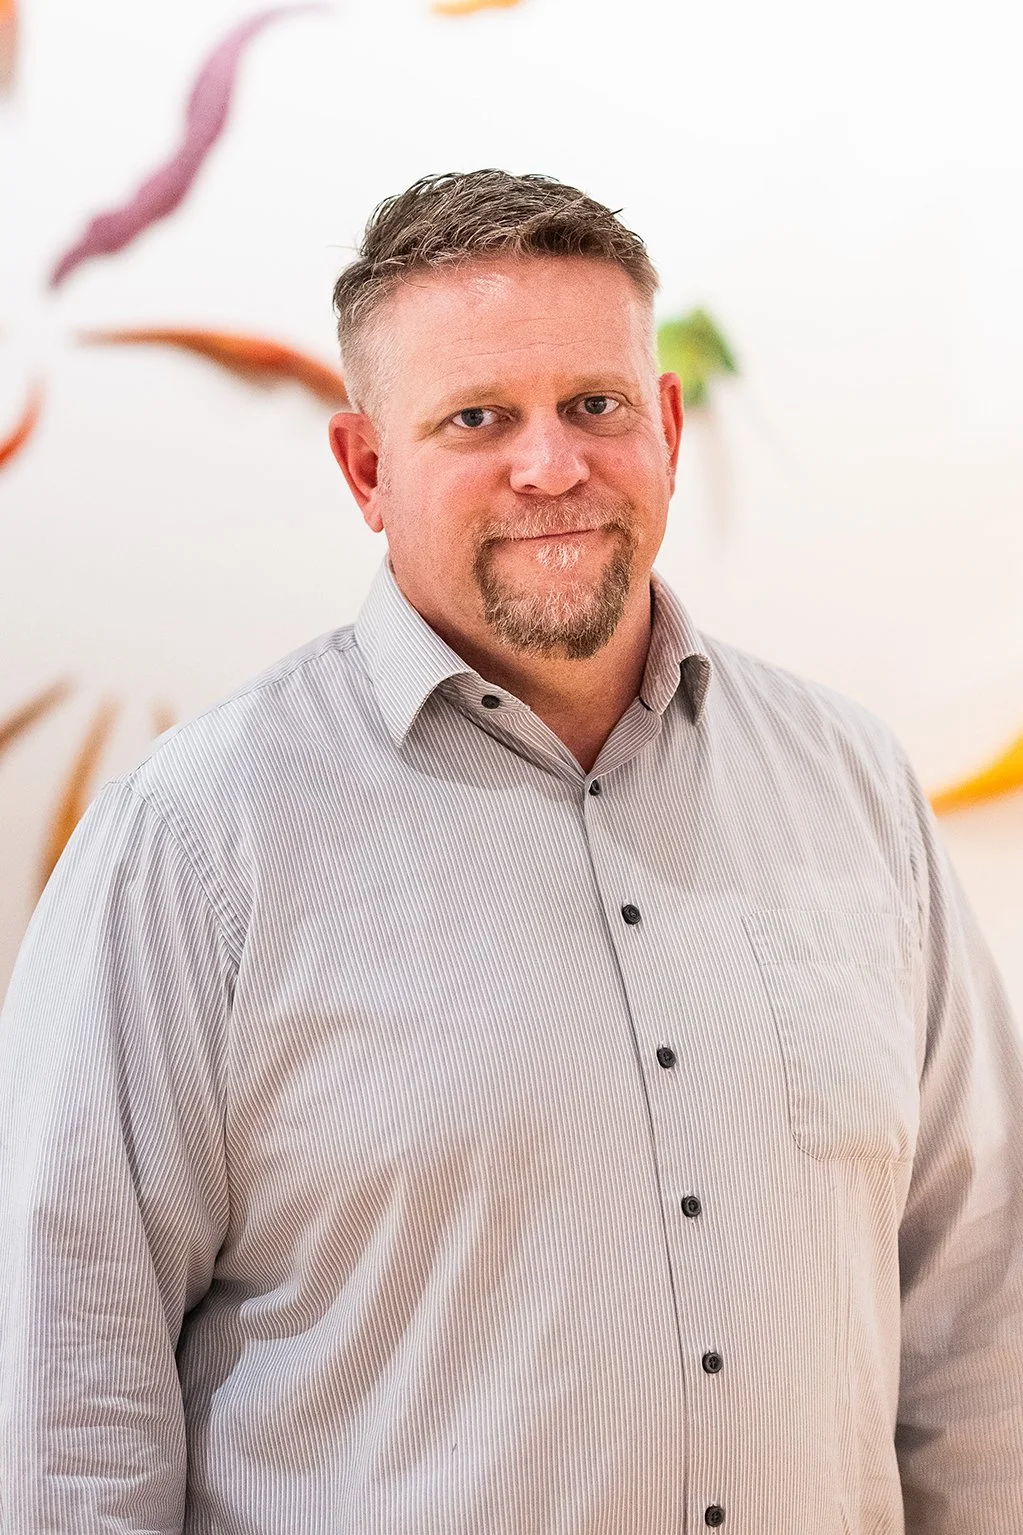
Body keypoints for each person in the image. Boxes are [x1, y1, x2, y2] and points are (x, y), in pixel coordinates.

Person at [0, 169, 1020, 1535]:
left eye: (594, 405)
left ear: (664, 424)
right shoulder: (188, 843)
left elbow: (977, 1318)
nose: (551, 466)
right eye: (477, 418)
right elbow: (71, 1410)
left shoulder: (851, 784)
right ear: (367, 468)